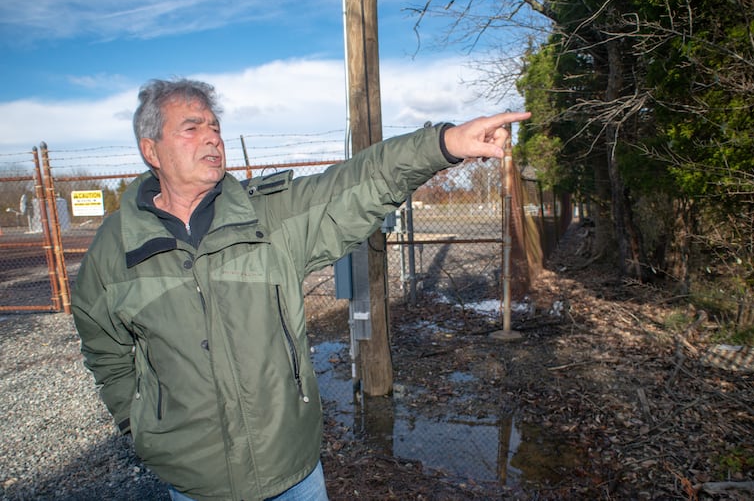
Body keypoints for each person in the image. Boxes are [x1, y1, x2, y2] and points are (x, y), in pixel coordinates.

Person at [72, 78, 530, 501]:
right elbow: (104, 347)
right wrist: (138, 424)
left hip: (293, 472)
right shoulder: (116, 250)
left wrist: (445, 143)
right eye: (192, 128)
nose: (213, 137)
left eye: (215, 126)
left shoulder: (267, 218)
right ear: (151, 150)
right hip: (194, 483)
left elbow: (357, 183)